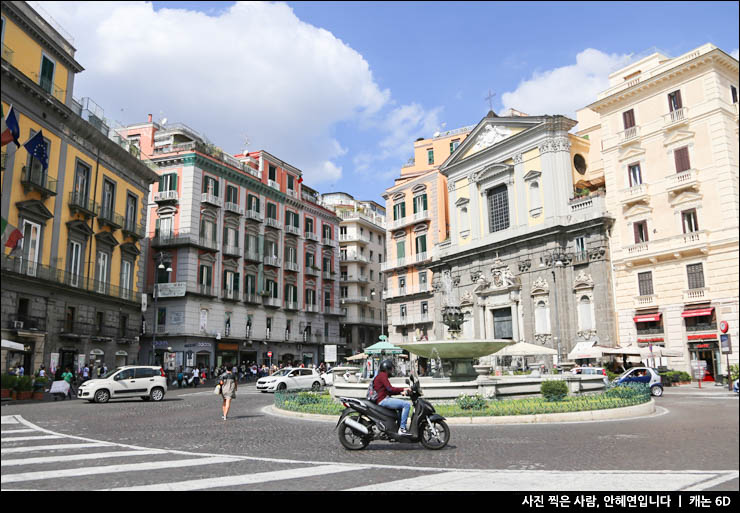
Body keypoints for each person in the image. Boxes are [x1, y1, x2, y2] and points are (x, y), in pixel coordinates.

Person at [371, 360, 411, 434]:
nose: (392, 371)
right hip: (383, 400)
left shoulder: (380, 375)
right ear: (387, 368)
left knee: (400, 407)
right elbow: (390, 388)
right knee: (406, 404)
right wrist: (403, 389)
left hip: (383, 399)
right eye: (391, 369)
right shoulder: (383, 376)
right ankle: (402, 428)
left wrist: (400, 392)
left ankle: (398, 427)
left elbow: (388, 391)